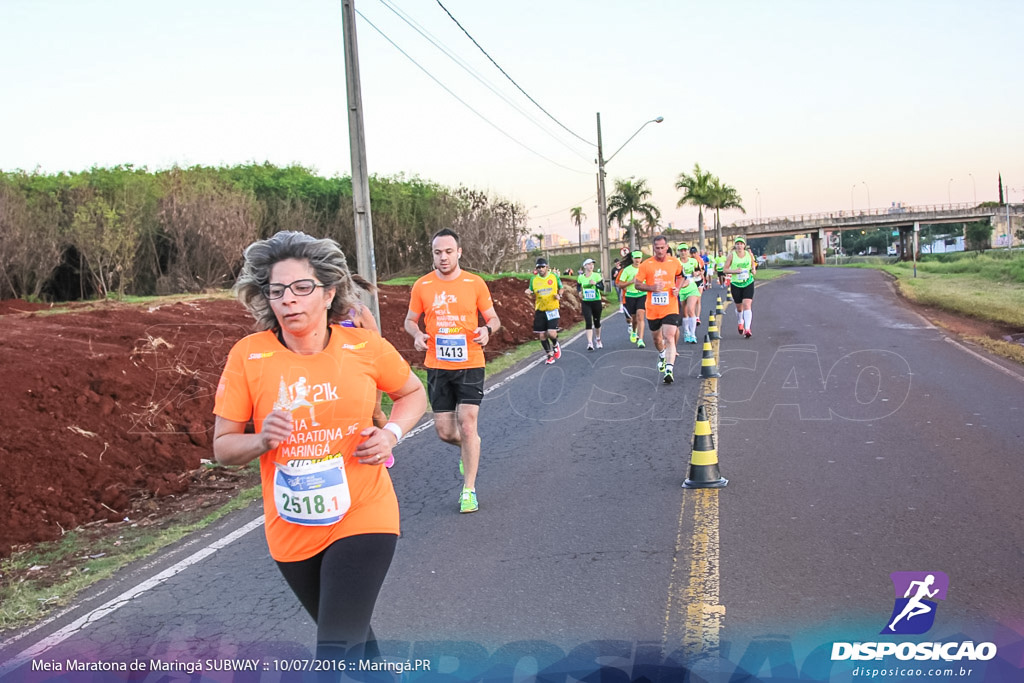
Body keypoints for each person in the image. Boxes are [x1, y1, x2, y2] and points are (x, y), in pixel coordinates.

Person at [213, 230, 428, 667]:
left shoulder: (364, 347)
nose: (289, 299)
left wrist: (390, 435)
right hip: (292, 523)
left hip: (364, 512)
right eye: (277, 291)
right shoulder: (248, 356)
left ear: (329, 293)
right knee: (353, 645)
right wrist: (261, 439)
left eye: (302, 287)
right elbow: (223, 446)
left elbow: (412, 393)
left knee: (334, 648)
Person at [405, 228, 501, 514]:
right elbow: (410, 320)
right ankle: (467, 449)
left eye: (448, 251)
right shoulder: (422, 285)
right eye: (437, 252)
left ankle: (468, 490)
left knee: (468, 424)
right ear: (432, 254)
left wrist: (487, 330)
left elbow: (493, 318)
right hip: (437, 365)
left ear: (459, 252)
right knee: (445, 431)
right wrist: (417, 334)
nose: (443, 257)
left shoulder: (475, 283)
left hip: (471, 361)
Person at [633, 235, 683, 383]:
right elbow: (637, 284)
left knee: (669, 336)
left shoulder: (674, 262)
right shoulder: (646, 265)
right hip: (653, 308)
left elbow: (681, 277)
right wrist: (651, 288)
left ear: (667, 247)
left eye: (662, 248)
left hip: (670, 306)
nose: (660, 251)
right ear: (653, 248)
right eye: (657, 248)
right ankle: (662, 353)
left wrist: (677, 289)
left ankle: (669, 370)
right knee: (657, 338)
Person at [526, 257, 562, 364]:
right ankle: (549, 355)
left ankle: (555, 344)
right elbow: (531, 290)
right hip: (540, 309)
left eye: (542, 267)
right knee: (542, 335)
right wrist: (528, 292)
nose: (540, 269)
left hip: (552, 308)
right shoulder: (534, 279)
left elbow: (561, 287)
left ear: (547, 267)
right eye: (538, 267)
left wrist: (559, 295)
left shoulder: (554, 276)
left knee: (551, 333)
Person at [725, 236, 757, 338]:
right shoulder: (731, 256)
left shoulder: (749, 254)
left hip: (748, 282)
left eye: (741, 244)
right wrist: (735, 271)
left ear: (744, 245)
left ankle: (747, 329)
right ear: (735, 245)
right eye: (737, 244)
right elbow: (725, 270)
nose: (739, 246)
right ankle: (740, 321)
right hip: (735, 283)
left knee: (747, 304)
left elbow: (753, 265)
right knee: (739, 308)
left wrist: (753, 270)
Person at [616, 250, 647, 347]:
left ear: (641, 258)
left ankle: (641, 340)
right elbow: (620, 284)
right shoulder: (627, 270)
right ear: (632, 258)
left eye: (639, 258)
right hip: (630, 295)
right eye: (635, 258)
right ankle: (634, 331)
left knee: (640, 316)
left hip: (642, 294)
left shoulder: (645, 268)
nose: (637, 260)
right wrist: (631, 282)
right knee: (634, 318)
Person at [576, 258, 605, 350]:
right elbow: (578, 287)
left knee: (597, 322)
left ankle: (598, 338)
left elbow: (602, 287)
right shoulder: (581, 277)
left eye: (592, 264)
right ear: (585, 266)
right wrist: (579, 292)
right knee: (588, 321)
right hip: (586, 302)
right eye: (589, 264)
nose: (591, 266)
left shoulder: (597, 275)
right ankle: (590, 343)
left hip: (596, 301)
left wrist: (595, 284)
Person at [676, 243, 702, 345]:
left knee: (691, 309)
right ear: (678, 252)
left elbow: (699, 271)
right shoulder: (676, 262)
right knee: (684, 312)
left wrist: (697, 273)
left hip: (692, 287)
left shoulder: (693, 261)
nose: (683, 252)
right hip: (681, 289)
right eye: (681, 251)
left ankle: (693, 334)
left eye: (685, 250)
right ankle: (686, 332)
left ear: (688, 251)